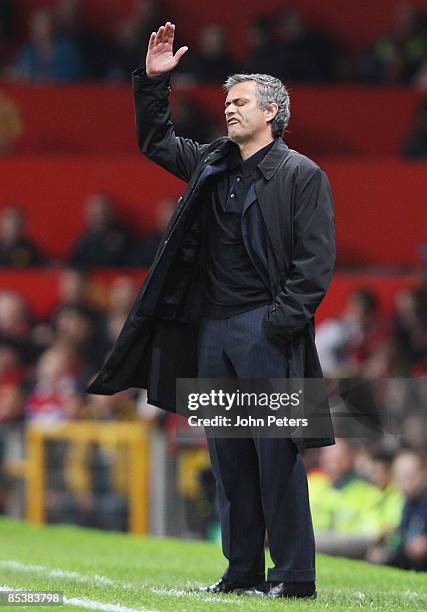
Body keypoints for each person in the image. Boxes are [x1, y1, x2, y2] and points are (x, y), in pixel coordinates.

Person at [87, 21, 336, 599]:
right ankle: (242, 570)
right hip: (214, 333)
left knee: (276, 456)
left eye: (240, 101)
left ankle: (294, 576)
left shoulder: (302, 175)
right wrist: (152, 84)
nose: (228, 109)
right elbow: (155, 142)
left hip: (264, 331)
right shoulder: (212, 163)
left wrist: (276, 324)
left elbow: (315, 265)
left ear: (271, 111)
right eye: (226, 101)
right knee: (227, 460)